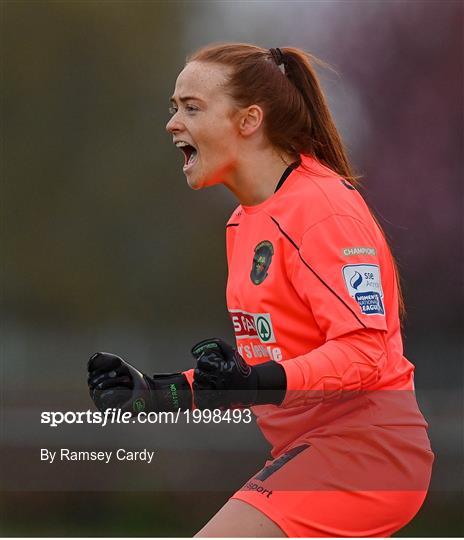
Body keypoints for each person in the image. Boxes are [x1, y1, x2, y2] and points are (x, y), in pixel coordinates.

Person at [87, 44, 434, 537]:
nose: (171, 123)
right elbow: (261, 371)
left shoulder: (322, 208)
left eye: (191, 107)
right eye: (173, 107)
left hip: (369, 453)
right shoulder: (243, 225)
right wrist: (153, 392)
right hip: (312, 451)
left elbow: (367, 352)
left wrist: (256, 379)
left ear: (249, 120)